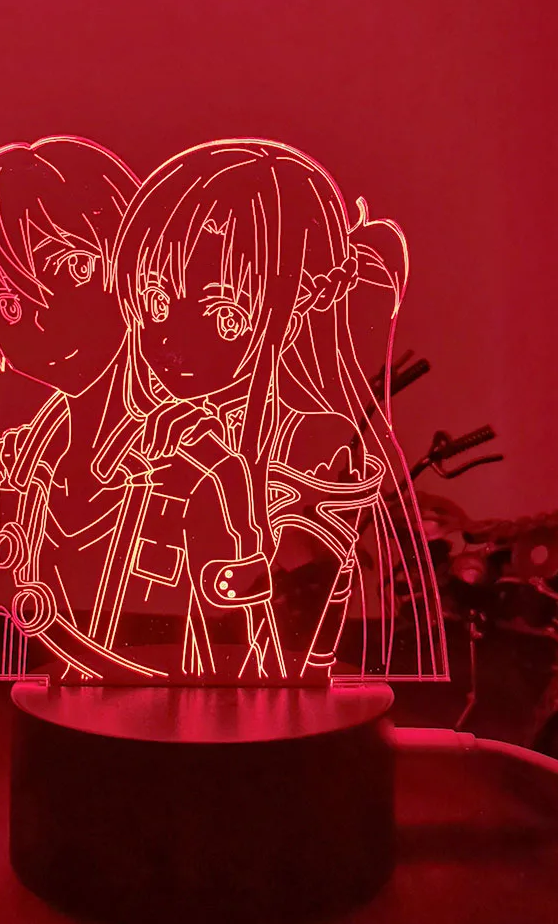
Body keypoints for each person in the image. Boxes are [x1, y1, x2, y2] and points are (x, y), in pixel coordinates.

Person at [0, 138, 284, 683]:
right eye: (3, 303)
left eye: (73, 266)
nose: (42, 316)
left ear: (137, 261)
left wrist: (233, 496)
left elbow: (255, 659)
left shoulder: (200, 457)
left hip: (180, 720)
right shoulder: (12, 470)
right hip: (44, 723)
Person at [113, 139, 448, 680]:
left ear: (295, 312)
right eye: (156, 301)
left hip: (279, 675)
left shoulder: (315, 435)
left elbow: (297, 582)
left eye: (224, 314)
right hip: (188, 664)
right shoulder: (188, 419)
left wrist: (223, 475)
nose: (172, 341)